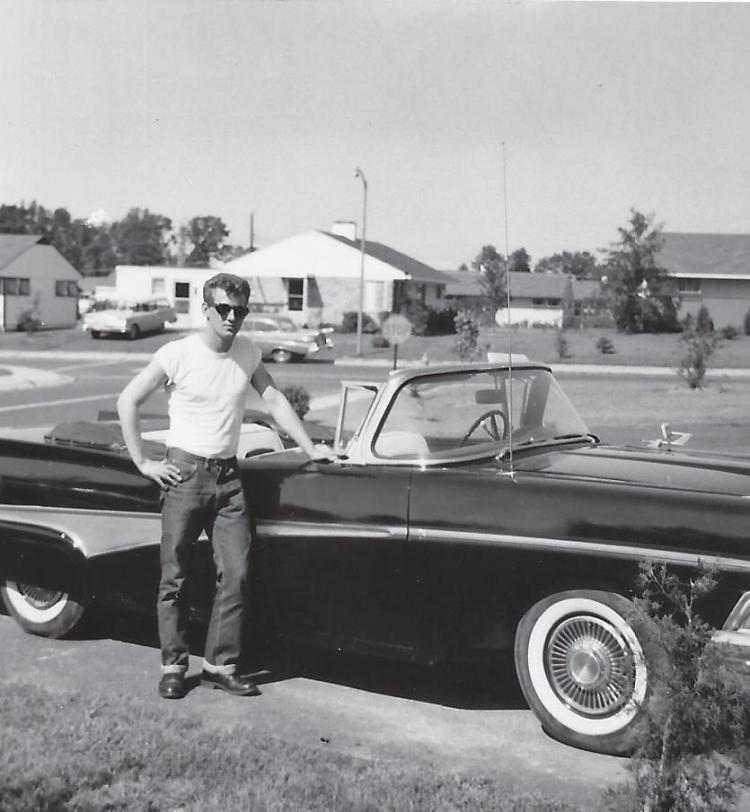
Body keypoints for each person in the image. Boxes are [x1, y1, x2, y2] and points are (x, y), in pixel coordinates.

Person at [117, 272, 331, 700]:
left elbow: (272, 398)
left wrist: (310, 448)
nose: (233, 318)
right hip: (183, 475)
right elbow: (129, 400)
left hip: (229, 479)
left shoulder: (248, 351)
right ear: (206, 310)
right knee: (174, 577)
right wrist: (143, 461)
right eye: (224, 310)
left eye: (241, 311)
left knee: (237, 573)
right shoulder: (177, 353)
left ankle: (220, 664)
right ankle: (174, 666)